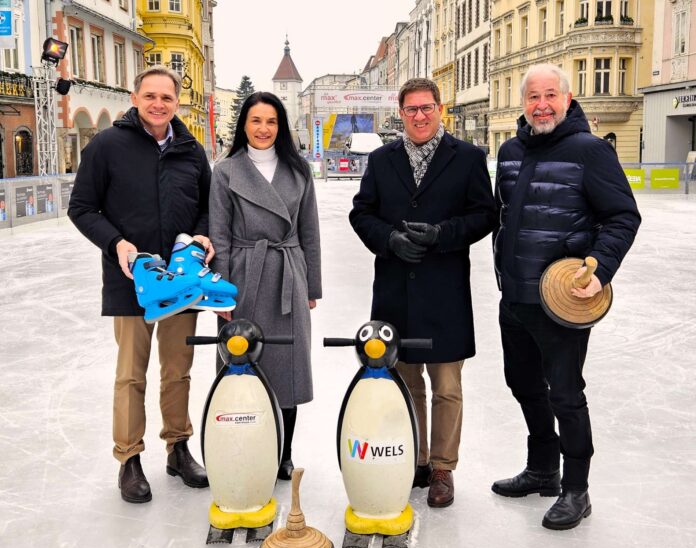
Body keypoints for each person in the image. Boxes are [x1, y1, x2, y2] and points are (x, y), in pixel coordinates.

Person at [491, 63, 641, 530]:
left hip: (561, 302)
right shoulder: (510, 150)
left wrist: (602, 268)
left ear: (568, 98)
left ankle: (577, 489)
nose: (541, 104)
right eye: (533, 96)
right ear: (523, 103)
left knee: (566, 396)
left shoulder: (590, 150)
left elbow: (622, 216)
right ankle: (543, 471)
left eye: (550, 95)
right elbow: (503, 215)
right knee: (524, 386)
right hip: (514, 296)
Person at [349, 78, 497, 508]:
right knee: (406, 380)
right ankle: (414, 458)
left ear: (440, 108)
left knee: (446, 385)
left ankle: (442, 467)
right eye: (411, 109)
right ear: (402, 112)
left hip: (444, 289)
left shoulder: (467, 158)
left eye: (426, 108)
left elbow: (484, 215)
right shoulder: (381, 160)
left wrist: (441, 234)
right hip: (396, 288)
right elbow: (362, 214)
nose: (419, 116)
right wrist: (389, 239)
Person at [68, 66, 212, 504]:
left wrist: (204, 235)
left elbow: (207, 207)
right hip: (131, 281)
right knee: (131, 374)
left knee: (177, 371)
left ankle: (178, 447)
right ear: (135, 98)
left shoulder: (191, 149)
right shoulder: (108, 145)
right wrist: (117, 244)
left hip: (181, 282)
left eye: (166, 98)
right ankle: (129, 458)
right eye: (149, 96)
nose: (158, 104)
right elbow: (82, 207)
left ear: (176, 103)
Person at [209, 92, 322, 481]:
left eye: (271, 121)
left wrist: (312, 286)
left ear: (281, 126)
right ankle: (243, 448)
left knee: (287, 369)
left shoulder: (299, 170)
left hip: (288, 276)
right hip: (244, 277)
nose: (263, 129)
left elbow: (310, 232)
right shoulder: (225, 172)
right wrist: (221, 292)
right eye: (256, 121)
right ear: (244, 125)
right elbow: (219, 235)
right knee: (242, 365)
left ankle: (284, 453)